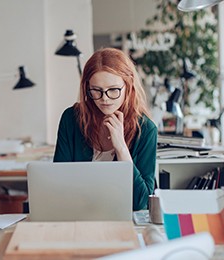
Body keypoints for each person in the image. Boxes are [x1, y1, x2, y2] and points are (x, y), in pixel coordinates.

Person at [53, 48, 157, 210]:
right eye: (96, 91)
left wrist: (121, 147)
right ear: (87, 88)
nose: (105, 99)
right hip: (77, 213)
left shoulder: (146, 130)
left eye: (113, 90)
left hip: (122, 218)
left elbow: (141, 202)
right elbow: (58, 183)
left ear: (128, 87)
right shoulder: (71, 119)